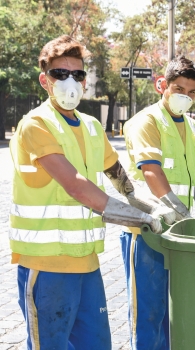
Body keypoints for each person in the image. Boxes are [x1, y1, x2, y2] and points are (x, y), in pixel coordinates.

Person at [9, 35, 176, 349]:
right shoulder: (36, 125)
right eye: (61, 74)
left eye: (78, 74)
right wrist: (140, 217)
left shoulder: (91, 127)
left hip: (88, 265)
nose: (70, 81)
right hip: (47, 267)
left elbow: (120, 179)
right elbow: (76, 186)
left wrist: (154, 206)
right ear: (45, 80)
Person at [122, 56, 195, 350]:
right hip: (147, 231)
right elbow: (151, 170)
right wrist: (182, 214)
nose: (184, 97)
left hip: (180, 232)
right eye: (178, 89)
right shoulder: (146, 121)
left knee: (176, 313)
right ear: (162, 85)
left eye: (191, 92)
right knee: (148, 314)